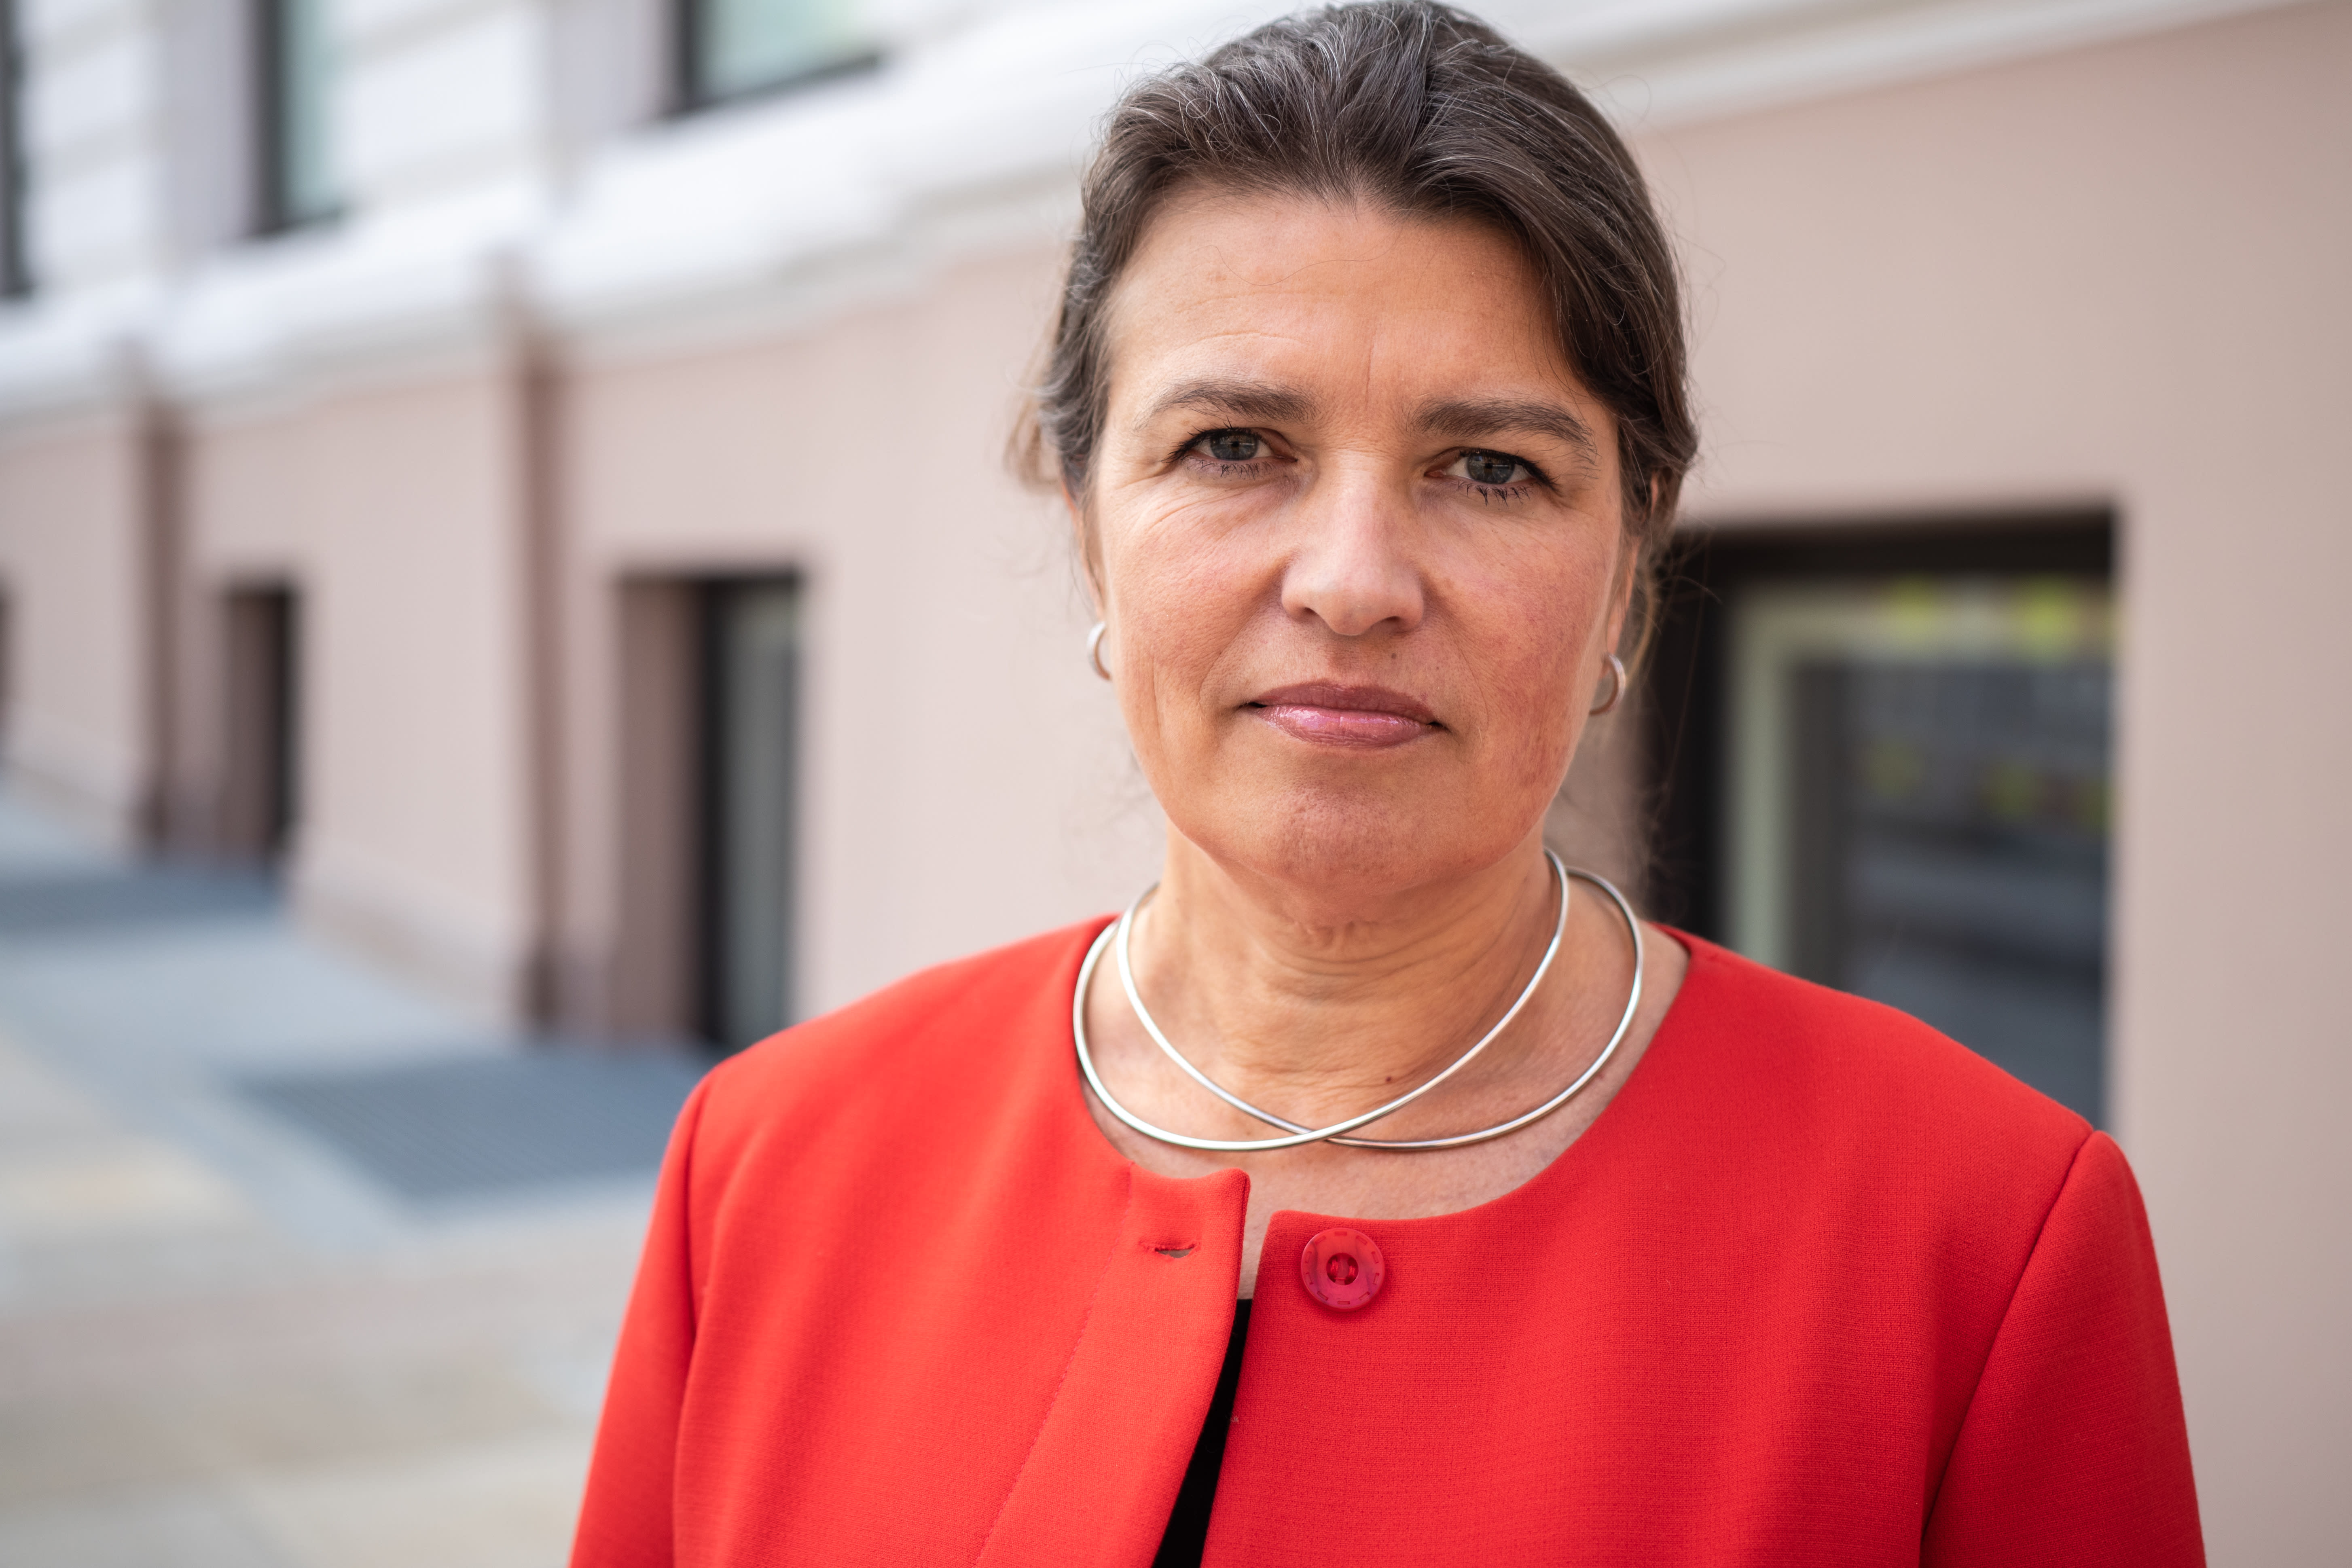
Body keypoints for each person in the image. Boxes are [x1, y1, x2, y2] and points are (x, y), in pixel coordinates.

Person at [569, 5, 2202, 1564]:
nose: (1352, 582)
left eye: (1489, 468)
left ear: (1626, 575)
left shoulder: (1979, 1245)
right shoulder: (765, 1168)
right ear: (1089, 532)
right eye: (1232, 446)